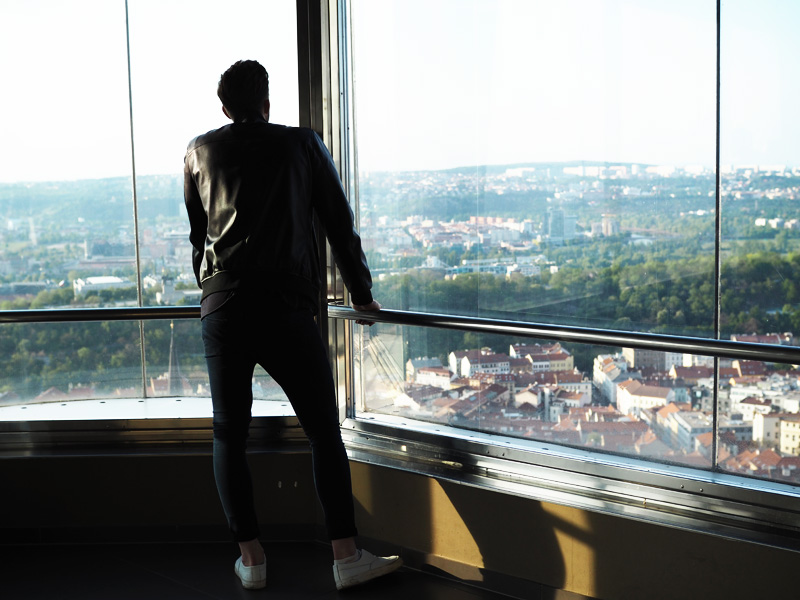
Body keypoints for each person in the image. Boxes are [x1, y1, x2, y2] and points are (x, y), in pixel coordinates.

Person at [184, 59, 401, 591]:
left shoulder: (197, 152)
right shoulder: (302, 144)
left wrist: (211, 291)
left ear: (224, 108)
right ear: (266, 102)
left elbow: (198, 236)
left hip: (223, 306)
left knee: (228, 433)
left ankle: (252, 559)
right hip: (285, 305)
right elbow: (338, 223)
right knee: (323, 431)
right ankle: (345, 556)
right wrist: (362, 295)